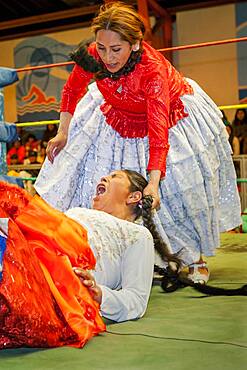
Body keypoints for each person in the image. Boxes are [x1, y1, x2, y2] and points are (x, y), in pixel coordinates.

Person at [35, 2, 241, 284]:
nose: (107, 57)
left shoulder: (152, 71)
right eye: (102, 47)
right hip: (117, 113)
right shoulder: (95, 55)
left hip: (168, 117)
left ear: (134, 44)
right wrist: (63, 132)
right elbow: (72, 90)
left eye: (116, 49)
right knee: (101, 183)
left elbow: (158, 133)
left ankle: (195, 258)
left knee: (178, 190)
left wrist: (153, 182)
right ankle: (123, 254)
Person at [0, 169, 179, 349]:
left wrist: (99, 293)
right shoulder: (77, 212)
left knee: (10, 201)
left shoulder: (139, 235)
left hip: (59, 277)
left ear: (133, 196)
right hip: (32, 246)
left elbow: (136, 301)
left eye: (115, 176)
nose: (104, 177)